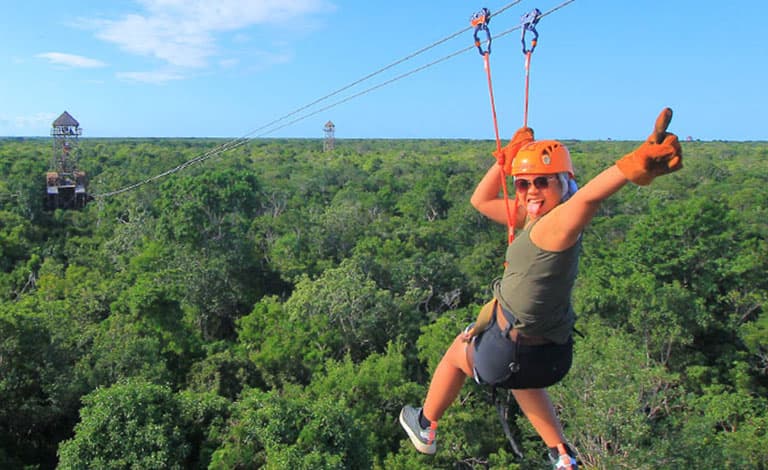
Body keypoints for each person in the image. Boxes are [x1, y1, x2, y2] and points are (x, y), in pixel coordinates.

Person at [400, 108, 682, 469]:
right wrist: (508, 160)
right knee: (521, 378)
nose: (532, 190)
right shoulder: (535, 218)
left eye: (543, 181)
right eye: (523, 183)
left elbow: (588, 199)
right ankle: (561, 455)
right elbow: (481, 201)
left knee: (460, 348)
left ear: (564, 182)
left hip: (509, 353)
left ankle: (425, 425)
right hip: (550, 357)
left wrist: (630, 165)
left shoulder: (559, 223)